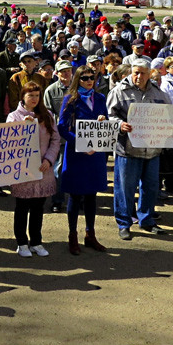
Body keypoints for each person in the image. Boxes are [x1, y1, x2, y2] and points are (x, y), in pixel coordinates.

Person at [107, 60, 172, 240]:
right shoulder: (120, 91)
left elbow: (169, 114)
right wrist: (120, 125)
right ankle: (124, 223)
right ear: (131, 72)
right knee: (125, 188)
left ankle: (147, 219)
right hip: (128, 150)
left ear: (149, 74)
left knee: (151, 188)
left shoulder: (158, 93)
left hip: (152, 150)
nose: (139, 76)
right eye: (136, 72)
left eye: (143, 73)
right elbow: (109, 115)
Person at [57, 65, 109, 255]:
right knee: (75, 195)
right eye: (85, 78)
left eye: (92, 78)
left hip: (95, 153)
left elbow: (106, 123)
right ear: (77, 79)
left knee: (91, 195)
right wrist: (80, 143)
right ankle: (72, 235)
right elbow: (62, 127)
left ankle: (90, 234)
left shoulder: (101, 98)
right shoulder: (70, 100)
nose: (89, 81)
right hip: (77, 153)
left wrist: (104, 121)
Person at [6, 81, 60, 257]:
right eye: (31, 95)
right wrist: (23, 126)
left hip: (43, 169)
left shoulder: (48, 115)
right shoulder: (14, 117)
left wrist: (49, 160)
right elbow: (8, 143)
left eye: (37, 95)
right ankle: (21, 243)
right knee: (22, 207)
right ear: (23, 96)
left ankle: (36, 241)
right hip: (23, 170)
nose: (34, 99)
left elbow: (55, 140)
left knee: (38, 208)